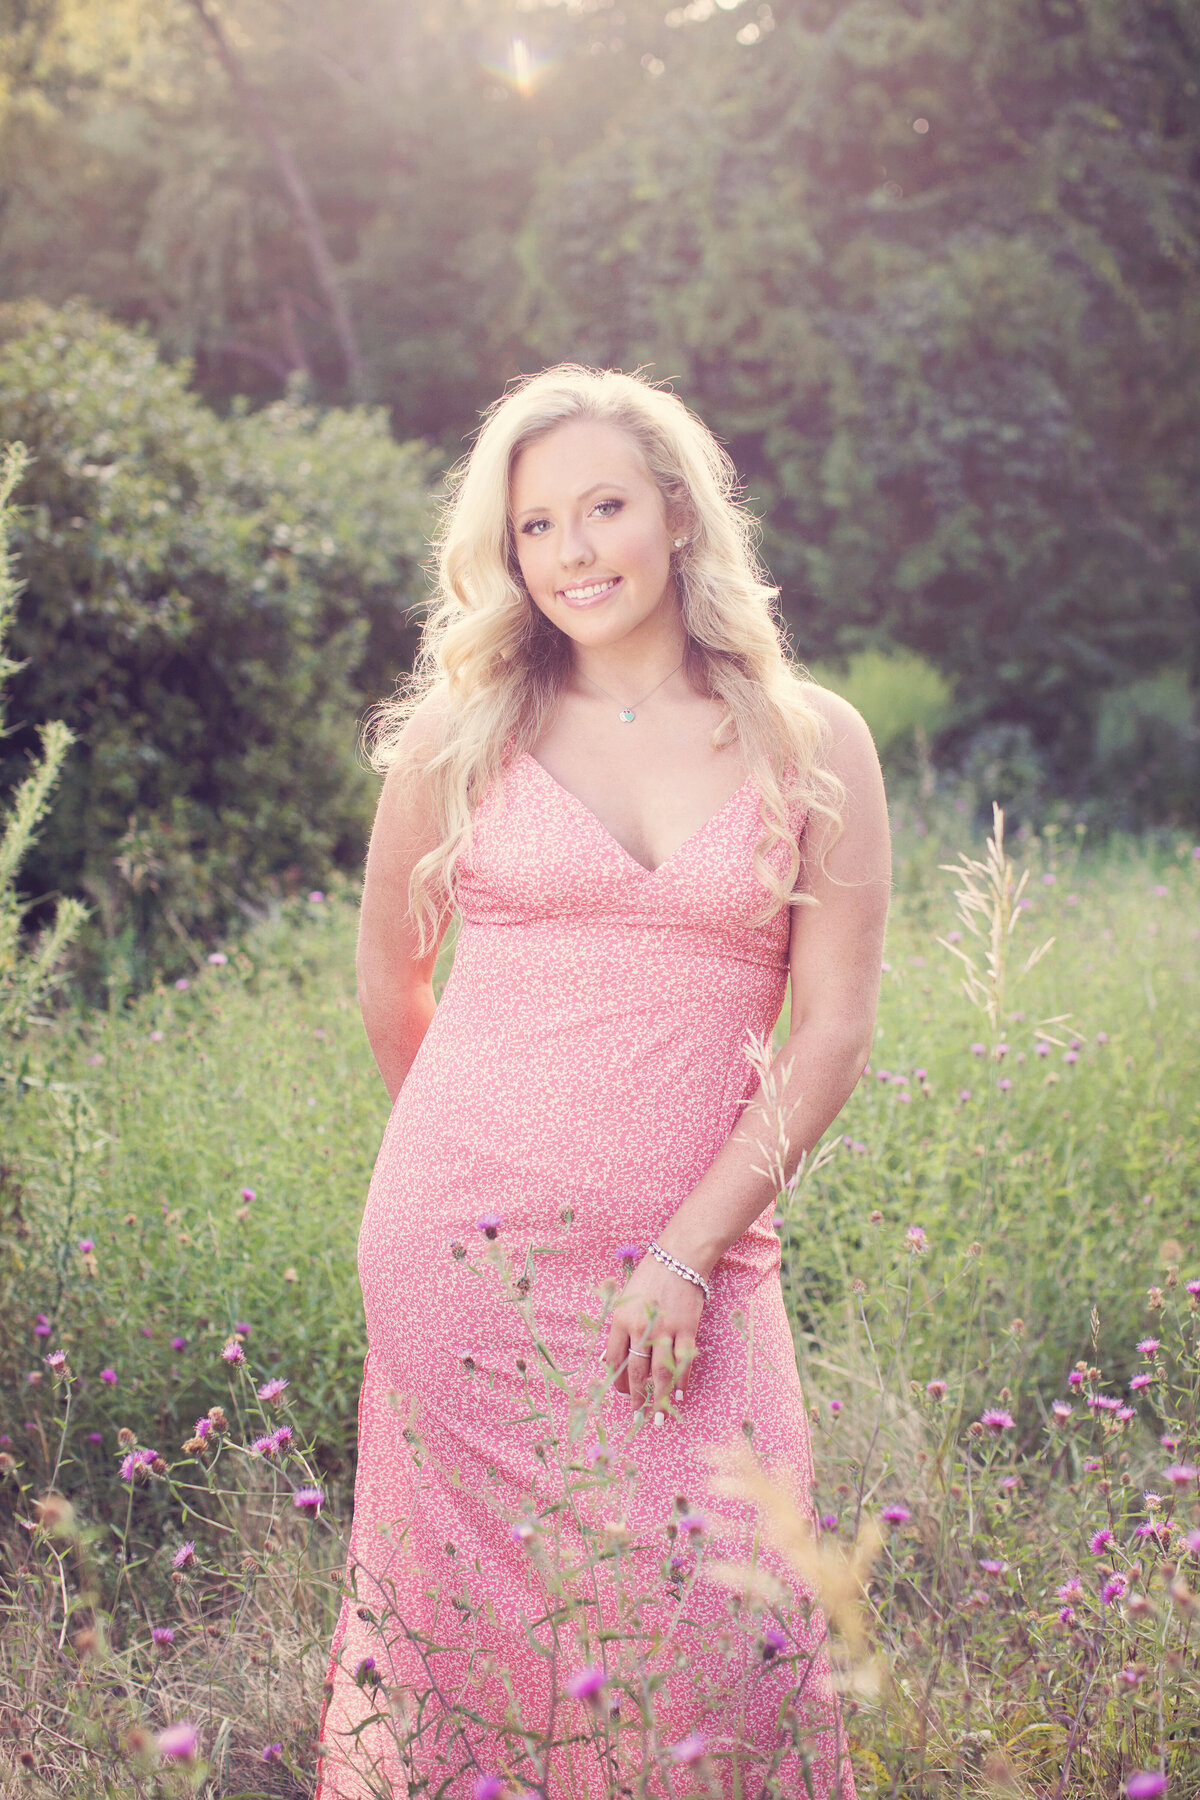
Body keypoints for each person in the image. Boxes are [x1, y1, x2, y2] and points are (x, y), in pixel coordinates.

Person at [316, 364, 890, 1800]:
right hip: (464, 1257)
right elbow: (394, 985)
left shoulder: (809, 738)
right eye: (536, 528)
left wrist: (686, 1247)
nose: (573, 552)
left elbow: (829, 1029)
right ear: (504, 554)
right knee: (487, 1640)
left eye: (605, 509)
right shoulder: (461, 736)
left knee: (724, 1629)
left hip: (702, 1268)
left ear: (680, 515)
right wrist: (496, 1157)